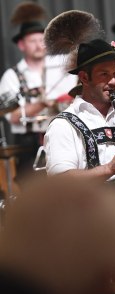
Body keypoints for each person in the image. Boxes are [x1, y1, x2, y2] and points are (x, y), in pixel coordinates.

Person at [43, 9, 115, 294]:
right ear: (84, 77)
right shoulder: (63, 124)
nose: (113, 82)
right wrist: (110, 166)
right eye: (104, 75)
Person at [0, 2, 77, 187]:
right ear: (21, 44)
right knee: (35, 192)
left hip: (64, 135)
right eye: (32, 41)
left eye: (41, 40)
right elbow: (12, 116)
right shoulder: (12, 76)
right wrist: (43, 102)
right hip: (30, 144)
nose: (38, 45)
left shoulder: (61, 66)